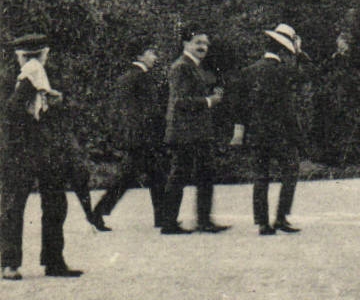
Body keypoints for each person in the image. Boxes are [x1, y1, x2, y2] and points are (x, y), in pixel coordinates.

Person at [1, 35, 83, 279]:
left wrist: (56, 101)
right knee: (14, 206)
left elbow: (66, 105)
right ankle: (9, 263)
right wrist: (28, 87)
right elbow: (11, 111)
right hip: (20, 150)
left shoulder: (48, 74)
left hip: (46, 148)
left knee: (55, 203)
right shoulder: (14, 77)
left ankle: (53, 260)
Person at [233, 24, 304, 235]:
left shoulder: (249, 71)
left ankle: (263, 223)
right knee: (291, 170)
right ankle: (281, 217)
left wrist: (241, 131)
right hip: (281, 133)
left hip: (257, 133)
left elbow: (240, 106)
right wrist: (299, 52)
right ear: (283, 49)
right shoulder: (283, 72)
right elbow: (288, 106)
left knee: (260, 176)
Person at [161, 29, 229, 234]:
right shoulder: (181, 67)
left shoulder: (194, 66)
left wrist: (212, 95)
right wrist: (209, 101)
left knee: (203, 174)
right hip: (185, 132)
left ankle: (201, 220)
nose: (203, 47)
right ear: (185, 43)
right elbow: (180, 101)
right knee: (181, 175)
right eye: (198, 42)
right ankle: (170, 223)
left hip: (197, 132)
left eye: (206, 44)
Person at [92, 46, 168, 229]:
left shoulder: (126, 77)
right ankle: (98, 212)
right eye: (151, 53)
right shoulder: (142, 77)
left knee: (152, 175)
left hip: (134, 135)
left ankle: (162, 217)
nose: (154, 57)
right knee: (139, 176)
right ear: (140, 55)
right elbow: (151, 110)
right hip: (144, 136)